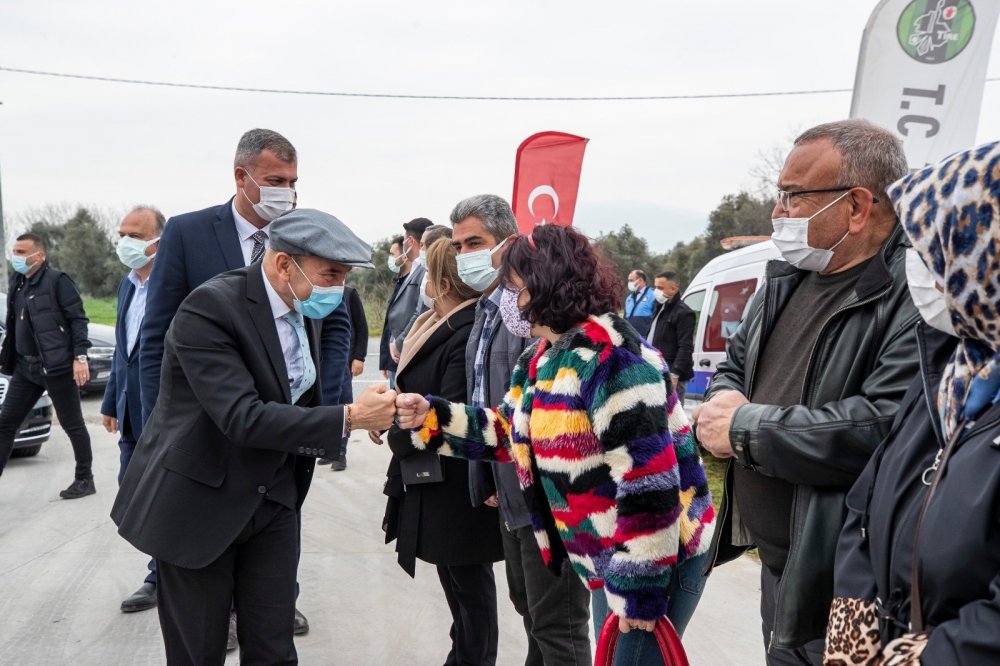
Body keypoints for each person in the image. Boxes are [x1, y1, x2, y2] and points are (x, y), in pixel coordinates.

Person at [396, 224, 716, 666]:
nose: (508, 299)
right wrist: (431, 418)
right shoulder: (541, 357)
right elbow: (510, 432)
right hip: (608, 556)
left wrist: (640, 589)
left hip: (653, 558)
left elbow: (649, 479)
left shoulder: (613, 358)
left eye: (513, 288)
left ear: (546, 286)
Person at [112, 209, 397, 665]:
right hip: (201, 502)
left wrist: (376, 413)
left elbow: (301, 397)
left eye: (344, 277)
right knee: (198, 651)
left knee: (274, 649)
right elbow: (242, 418)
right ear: (284, 264)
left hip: (274, 499)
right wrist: (350, 418)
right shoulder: (210, 308)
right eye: (331, 274)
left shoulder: (306, 307)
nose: (338, 289)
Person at [692, 119, 921, 665]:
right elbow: (734, 371)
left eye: (793, 196)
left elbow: (882, 425)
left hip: (845, 578)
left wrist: (744, 429)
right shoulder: (784, 281)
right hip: (780, 565)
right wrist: (727, 406)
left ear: (858, 207)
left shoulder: (912, 296)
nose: (778, 212)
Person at [139, 128, 351, 642]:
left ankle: (264, 609)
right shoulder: (190, 236)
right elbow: (157, 337)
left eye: (294, 181)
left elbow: (334, 324)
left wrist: (330, 408)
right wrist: (165, 433)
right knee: (200, 630)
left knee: (270, 628)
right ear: (243, 176)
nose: (288, 192)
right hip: (209, 441)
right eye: (276, 180)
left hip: (277, 453)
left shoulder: (307, 244)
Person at [824, 141, 1000, 664]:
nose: (917, 270)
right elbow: (867, 500)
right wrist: (853, 628)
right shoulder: (952, 369)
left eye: (932, 250)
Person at [451, 194, 592, 665]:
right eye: (458, 246)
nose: (465, 255)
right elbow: (493, 406)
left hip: (548, 499)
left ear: (508, 241)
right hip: (511, 492)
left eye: (475, 242)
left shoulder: (534, 321)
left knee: (558, 626)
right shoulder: (491, 310)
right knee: (531, 611)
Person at [379, 237, 504, 666]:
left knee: (470, 591)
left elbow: (450, 409)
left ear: (445, 281)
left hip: (455, 481)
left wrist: (395, 427)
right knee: (458, 588)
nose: (425, 284)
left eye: (430, 276)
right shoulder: (436, 322)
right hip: (436, 477)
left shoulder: (465, 330)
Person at [100, 206, 165, 612]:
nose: (126, 243)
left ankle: (170, 580)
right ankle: (161, 572)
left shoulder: (173, 285)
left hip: (165, 417)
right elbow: (125, 354)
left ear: (160, 239)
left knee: (170, 499)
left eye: (135, 235)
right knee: (138, 498)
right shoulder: (127, 285)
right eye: (122, 234)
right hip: (130, 415)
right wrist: (110, 401)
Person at [0, 233, 93, 498]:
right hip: (24, 369)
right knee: (5, 424)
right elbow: (15, 324)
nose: (15, 256)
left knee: (72, 424)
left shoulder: (57, 281)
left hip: (56, 367)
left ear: (38, 256)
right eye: (14, 251)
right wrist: (6, 357)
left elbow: (78, 320)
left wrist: (80, 357)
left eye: (21, 252)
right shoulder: (18, 283)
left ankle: (85, 479)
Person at [319, 284, 368, 471]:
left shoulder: (349, 293)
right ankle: (328, 450)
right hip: (322, 362)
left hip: (344, 362)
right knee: (325, 405)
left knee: (344, 405)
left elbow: (361, 328)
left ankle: (341, 453)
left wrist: (359, 357)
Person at [380, 218, 433, 386]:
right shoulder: (414, 269)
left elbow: (421, 311)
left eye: (404, 240)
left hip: (407, 349)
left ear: (410, 241)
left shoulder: (425, 270)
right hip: (399, 351)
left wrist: (400, 343)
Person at [646, 271, 695, 404]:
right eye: (655, 287)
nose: (656, 291)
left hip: (671, 374)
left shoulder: (684, 313)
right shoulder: (659, 307)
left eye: (660, 288)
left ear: (673, 289)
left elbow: (685, 346)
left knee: (673, 417)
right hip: (655, 369)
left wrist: (674, 374)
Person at [624, 269, 655, 337]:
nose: (629, 283)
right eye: (628, 280)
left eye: (631, 280)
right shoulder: (629, 298)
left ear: (640, 280)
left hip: (646, 339)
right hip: (631, 339)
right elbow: (625, 319)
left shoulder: (653, 295)